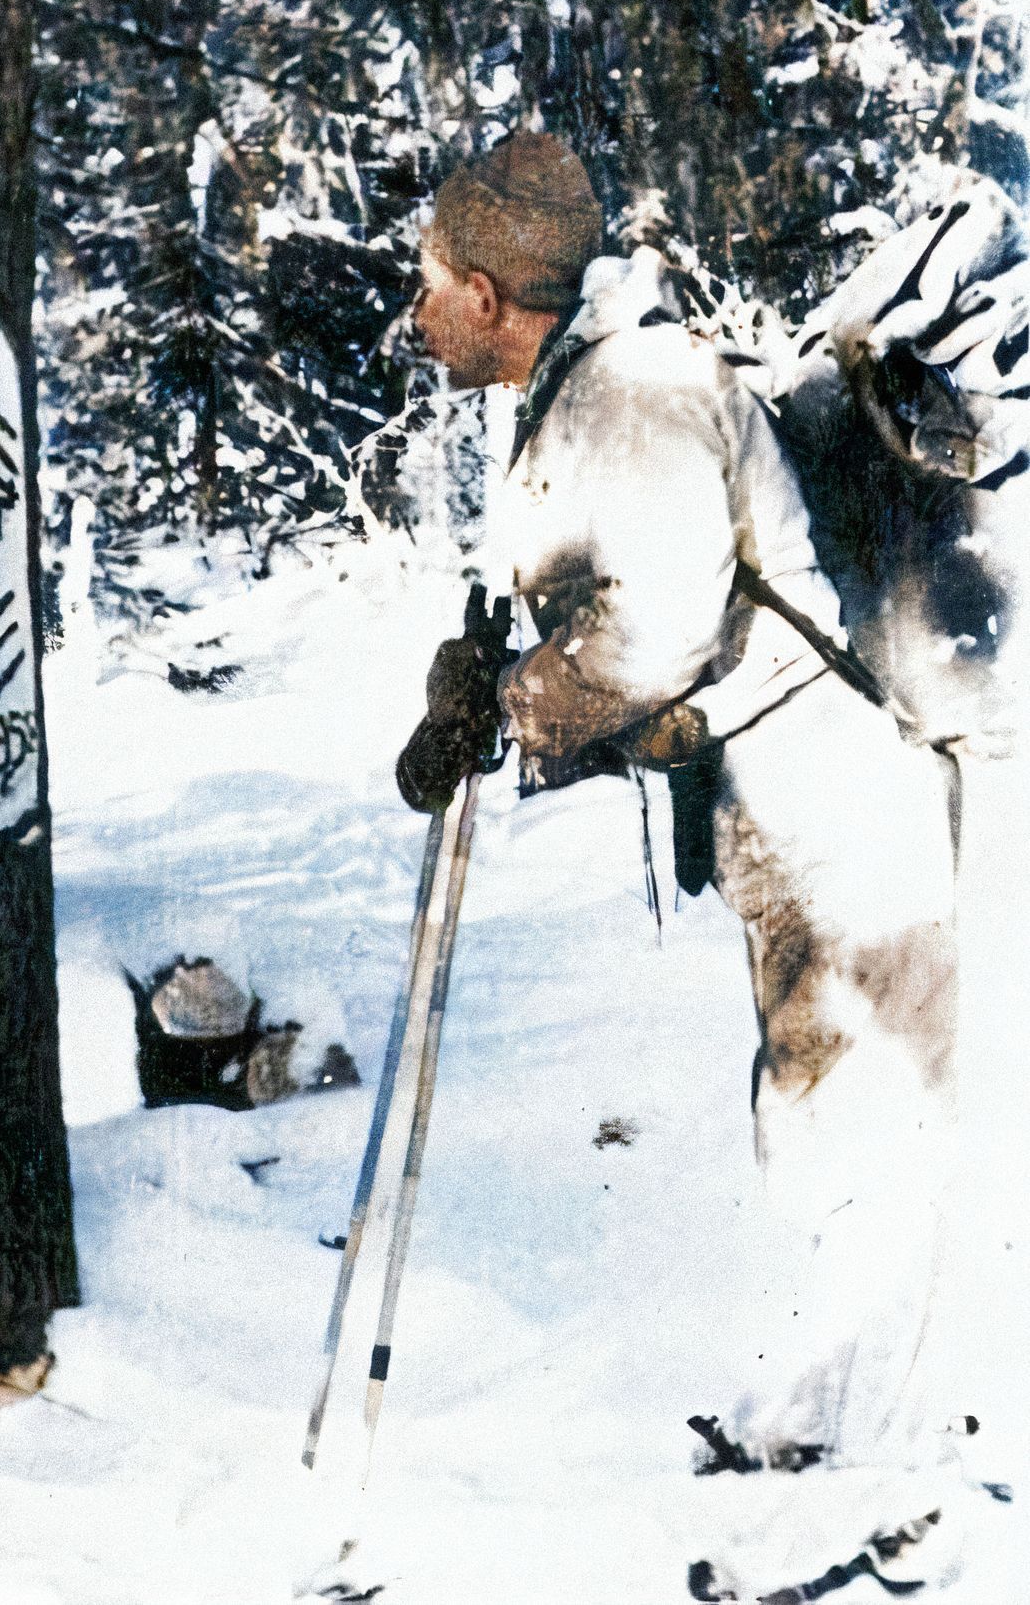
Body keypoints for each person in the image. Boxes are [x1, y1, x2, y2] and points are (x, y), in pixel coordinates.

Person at [398, 134, 965, 1594]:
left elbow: (659, 631)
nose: (416, 312)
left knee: (862, 1118)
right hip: (785, 789)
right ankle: (812, 1420)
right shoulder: (589, 392)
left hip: (832, 791)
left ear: (487, 290)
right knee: (825, 1107)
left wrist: (514, 705)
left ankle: (895, 1488)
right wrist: (502, 677)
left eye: (429, 284)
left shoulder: (633, 395)